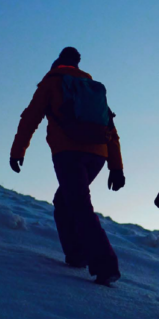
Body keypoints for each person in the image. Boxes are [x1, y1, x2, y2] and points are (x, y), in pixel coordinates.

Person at [10, 47, 125, 286]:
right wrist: (116, 167)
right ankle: (76, 255)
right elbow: (111, 128)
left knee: (79, 205)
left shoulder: (52, 81)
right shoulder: (93, 88)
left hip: (68, 152)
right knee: (64, 202)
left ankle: (105, 266)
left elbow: (30, 117)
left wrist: (17, 151)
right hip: (98, 155)